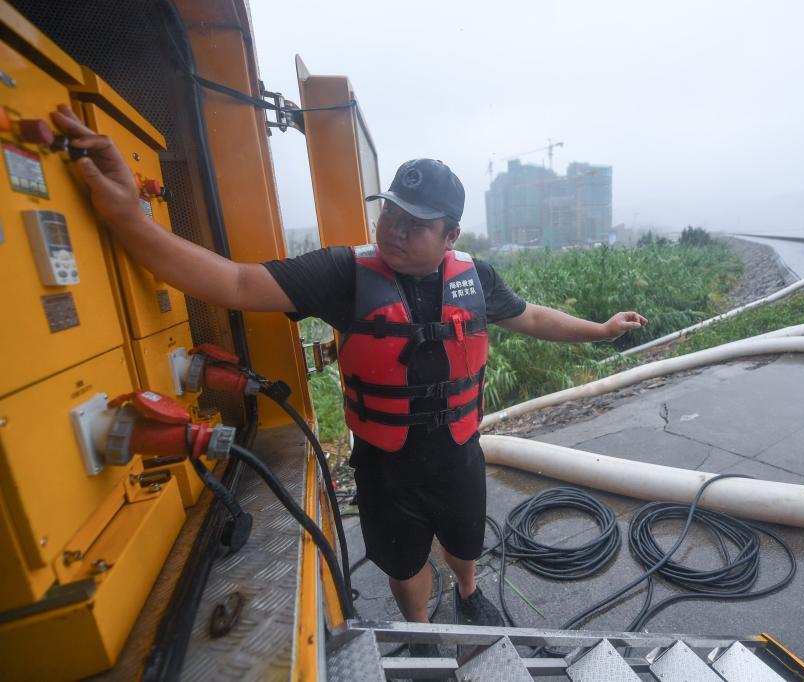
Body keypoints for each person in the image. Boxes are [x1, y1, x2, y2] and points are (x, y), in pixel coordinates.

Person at [50, 106, 647, 644]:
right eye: (390, 211)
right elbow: (233, 283)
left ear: (450, 235)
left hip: (460, 447)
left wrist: (599, 330)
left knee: (465, 539)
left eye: (415, 222)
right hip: (386, 461)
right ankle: (419, 630)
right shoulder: (344, 273)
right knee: (401, 559)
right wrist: (131, 218)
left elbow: (532, 316)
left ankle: (467, 594)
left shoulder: (477, 277)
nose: (394, 228)